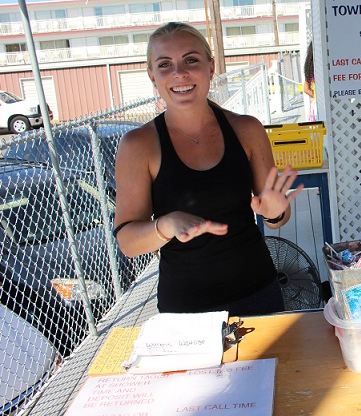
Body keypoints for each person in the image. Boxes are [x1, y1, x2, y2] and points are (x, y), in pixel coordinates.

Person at [113, 21, 303, 317]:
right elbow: (128, 242)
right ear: (152, 75)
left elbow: (278, 215)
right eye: (165, 64)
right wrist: (166, 225)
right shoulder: (138, 145)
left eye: (191, 60)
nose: (179, 73)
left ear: (210, 67)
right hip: (186, 309)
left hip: (259, 294)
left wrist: (276, 211)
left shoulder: (247, 129)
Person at [302, 41, 317, 121]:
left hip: (315, 104)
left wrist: (316, 96)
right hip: (318, 105)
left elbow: (306, 89)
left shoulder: (310, 67)